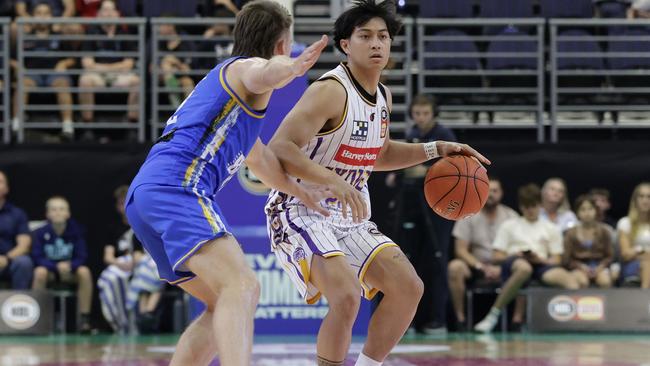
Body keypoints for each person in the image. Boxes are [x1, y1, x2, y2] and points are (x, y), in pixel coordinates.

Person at [265, 1, 490, 364]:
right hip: (300, 206)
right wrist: (331, 180)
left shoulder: (383, 96)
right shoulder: (330, 90)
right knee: (347, 296)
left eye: (383, 37)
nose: (376, 44)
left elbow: (379, 155)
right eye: (365, 36)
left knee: (408, 288)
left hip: (347, 215)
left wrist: (436, 148)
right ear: (345, 45)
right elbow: (279, 147)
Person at [124, 1, 329, 364]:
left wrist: (300, 191)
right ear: (282, 43)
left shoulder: (230, 100)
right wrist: (291, 68)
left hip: (147, 195)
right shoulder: (245, 69)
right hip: (178, 187)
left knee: (221, 301)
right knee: (243, 286)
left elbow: (261, 161)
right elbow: (265, 70)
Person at [474, 183, 579, 333]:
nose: (530, 210)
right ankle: (493, 315)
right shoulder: (509, 225)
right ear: (521, 207)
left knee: (570, 281)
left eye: (534, 206)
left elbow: (557, 259)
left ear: (540, 205)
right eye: (526, 206)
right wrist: (515, 255)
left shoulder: (551, 228)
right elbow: (496, 256)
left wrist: (541, 260)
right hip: (514, 263)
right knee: (524, 268)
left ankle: (563, 323)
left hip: (540, 264)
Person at [448, 177, 518, 331]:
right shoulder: (468, 214)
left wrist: (502, 268)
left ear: (502, 193)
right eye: (488, 190)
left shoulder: (511, 216)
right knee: (455, 267)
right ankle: (460, 320)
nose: (491, 194)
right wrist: (480, 266)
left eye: (495, 191)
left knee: (523, 267)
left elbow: (518, 247)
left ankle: (516, 322)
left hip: (504, 266)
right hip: (475, 266)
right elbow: (460, 250)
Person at [98, 185, 164, 334]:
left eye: (128, 201)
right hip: (121, 264)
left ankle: (143, 315)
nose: (125, 206)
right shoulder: (113, 228)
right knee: (108, 278)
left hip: (144, 262)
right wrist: (121, 264)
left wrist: (135, 262)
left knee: (149, 268)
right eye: (121, 203)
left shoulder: (145, 223)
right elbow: (108, 257)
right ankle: (120, 322)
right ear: (117, 206)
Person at [31, 196, 93, 333]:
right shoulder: (40, 233)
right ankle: (38, 319)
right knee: (39, 272)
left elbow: (82, 256)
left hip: (70, 272)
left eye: (61, 209)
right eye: (53, 209)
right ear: (47, 214)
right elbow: (36, 257)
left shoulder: (77, 231)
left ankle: (84, 320)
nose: (58, 212)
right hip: (50, 272)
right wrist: (55, 267)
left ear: (68, 213)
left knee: (84, 272)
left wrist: (71, 265)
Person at [12, 2, 75, 138]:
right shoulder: (25, 35)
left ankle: (67, 127)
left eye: (46, 13)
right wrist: (18, 65)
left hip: (54, 73)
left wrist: (64, 63)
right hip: (31, 73)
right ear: (32, 16)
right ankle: (16, 125)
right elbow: (11, 57)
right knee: (22, 84)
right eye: (39, 13)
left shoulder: (59, 35)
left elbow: (73, 58)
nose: (42, 17)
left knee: (63, 84)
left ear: (52, 16)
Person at [78, 0, 140, 125]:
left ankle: (132, 123)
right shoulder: (91, 33)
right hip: (97, 76)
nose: (108, 14)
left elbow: (129, 64)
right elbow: (87, 63)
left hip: (119, 76)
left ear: (117, 14)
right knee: (85, 81)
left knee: (137, 82)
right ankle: (87, 124)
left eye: (111, 10)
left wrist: (102, 67)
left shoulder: (124, 34)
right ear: (99, 14)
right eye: (105, 10)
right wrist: (115, 67)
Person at [563, 195, 614, 288]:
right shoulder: (570, 233)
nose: (587, 213)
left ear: (595, 211)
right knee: (582, 281)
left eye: (590, 209)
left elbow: (609, 256)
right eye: (583, 209)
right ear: (577, 213)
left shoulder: (604, 231)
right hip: (578, 267)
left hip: (599, 266)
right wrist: (580, 267)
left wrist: (600, 267)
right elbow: (567, 259)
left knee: (605, 282)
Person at [0, 170, 33, 290]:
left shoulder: (17, 214)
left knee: (24, 262)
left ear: (7, 189)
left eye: (0, 181)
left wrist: (6, 259)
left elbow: (24, 245)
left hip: (9, 262)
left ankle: (19, 303)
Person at [617, 182, 650, 288]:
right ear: (635, 200)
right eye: (641, 196)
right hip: (632, 265)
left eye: (649, 197)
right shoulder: (625, 223)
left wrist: (638, 251)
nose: (645, 200)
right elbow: (626, 254)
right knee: (647, 263)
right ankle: (646, 299)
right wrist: (643, 251)